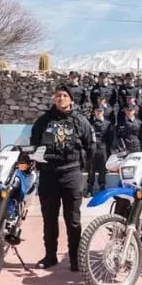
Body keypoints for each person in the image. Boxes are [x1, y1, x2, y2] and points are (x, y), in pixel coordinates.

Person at [29, 85, 94, 271]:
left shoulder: (80, 121)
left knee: (73, 220)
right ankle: (50, 256)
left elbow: (91, 147)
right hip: (49, 174)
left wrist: (81, 168)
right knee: (49, 219)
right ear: (54, 99)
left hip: (71, 173)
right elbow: (34, 144)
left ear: (71, 100)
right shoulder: (43, 121)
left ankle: (75, 259)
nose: (61, 98)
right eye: (58, 95)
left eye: (65, 96)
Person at [87, 105, 114, 195]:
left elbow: (110, 137)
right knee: (91, 168)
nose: (99, 113)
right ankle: (89, 188)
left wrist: (107, 148)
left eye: (100, 111)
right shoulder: (89, 123)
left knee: (103, 168)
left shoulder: (108, 123)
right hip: (92, 148)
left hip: (103, 147)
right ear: (94, 112)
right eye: (97, 111)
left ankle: (102, 187)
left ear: (103, 112)